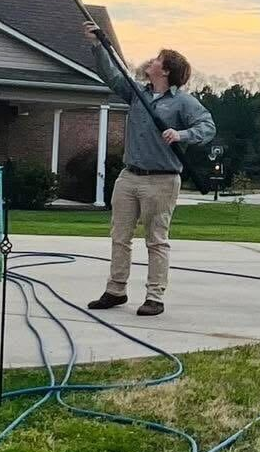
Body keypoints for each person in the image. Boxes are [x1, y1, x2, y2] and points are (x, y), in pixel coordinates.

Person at [82, 23, 215, 316]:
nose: (151, 62)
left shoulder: (182, 102)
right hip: (129, 176)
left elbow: (207, 126)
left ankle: (155, 296)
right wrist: (98, 45)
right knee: (120, 236)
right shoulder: (137, 93)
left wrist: (181, 135)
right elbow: (112, 74)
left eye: (157, 59)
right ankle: (116, 290)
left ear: (166, 70)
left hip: (162, 180)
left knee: (156, 239)